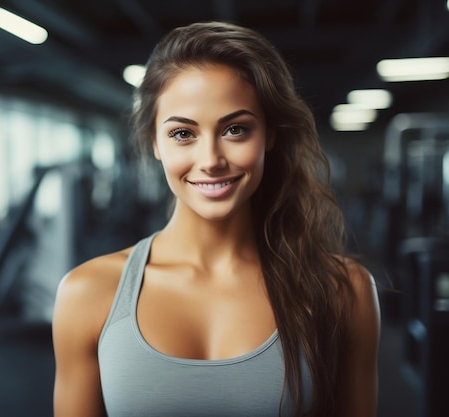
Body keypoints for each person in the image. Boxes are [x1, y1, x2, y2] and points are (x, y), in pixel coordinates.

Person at [52, 21, 381, 417]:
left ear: (270, 136)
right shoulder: (87, 294)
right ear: (155, 142)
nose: (210, 161)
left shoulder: (345, 292)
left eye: (235, 129)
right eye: (182, 134)